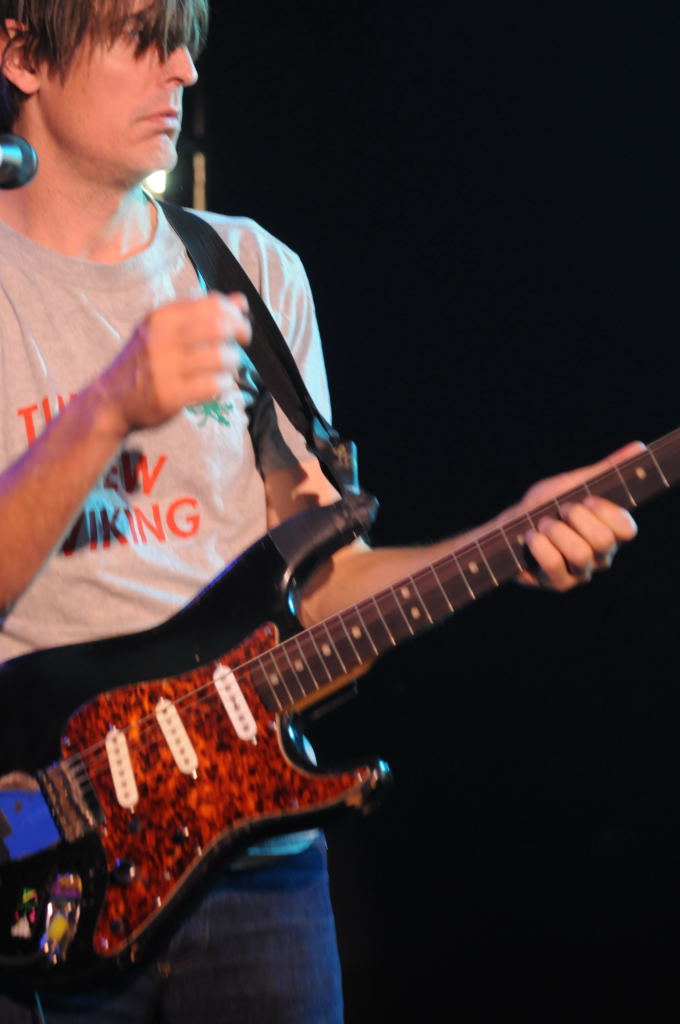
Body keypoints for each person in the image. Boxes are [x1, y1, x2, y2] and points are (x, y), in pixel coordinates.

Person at [0, 1, 640, 1021]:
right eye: (140, 37)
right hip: (47, 848)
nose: (182, 71)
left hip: (258, 869)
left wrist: (509, 539)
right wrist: (109, 407)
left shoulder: (250, 272)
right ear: (22, 54)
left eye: (187, 42)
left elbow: (323, 586)